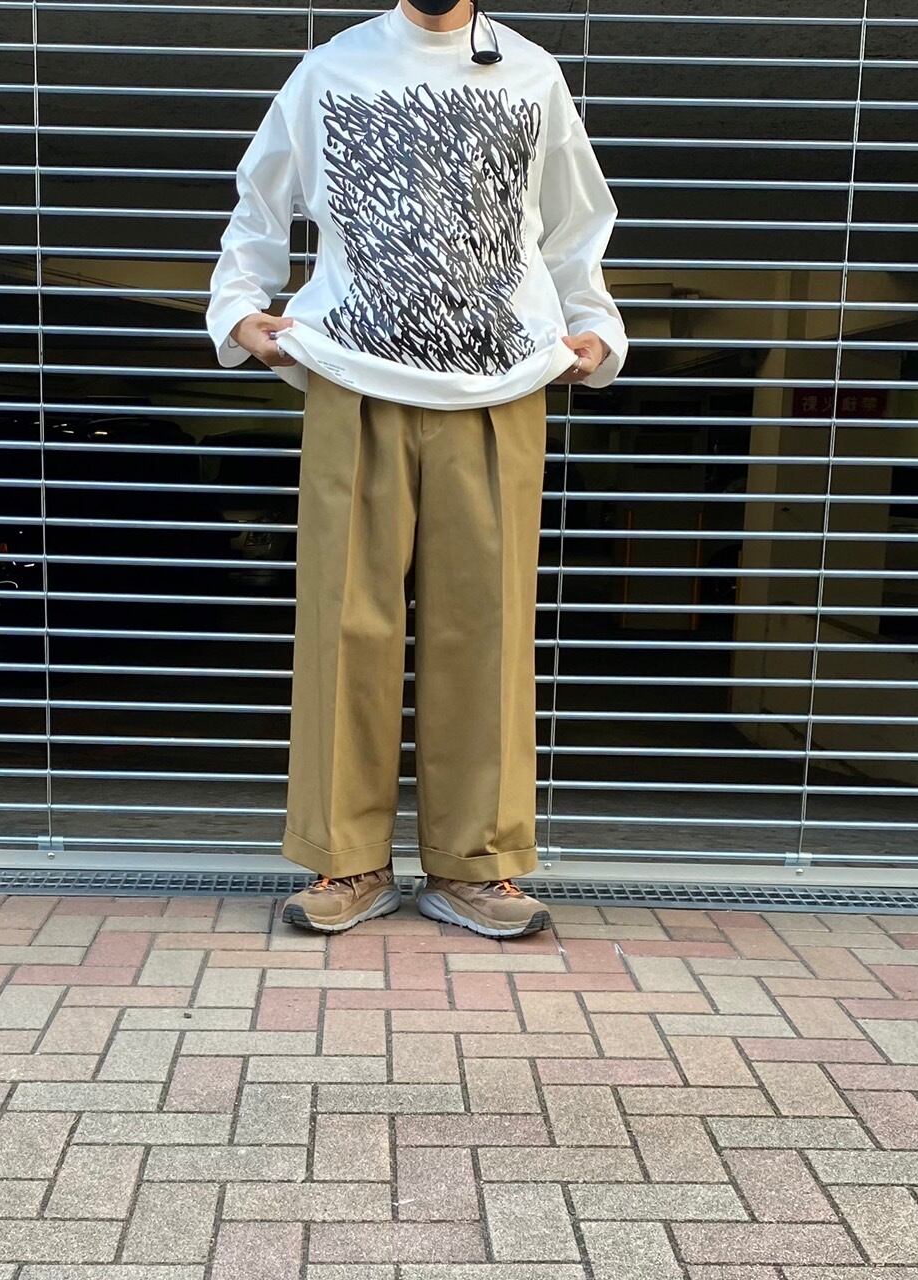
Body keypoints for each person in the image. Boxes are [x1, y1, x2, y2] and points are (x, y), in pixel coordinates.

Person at [205, 0, 628, 937]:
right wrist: (238, 309)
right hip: (351, 375)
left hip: (501, 382)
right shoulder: (332, 68)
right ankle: (346, 859)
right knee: (344, 625)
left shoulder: (531, 73)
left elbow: (575, 222)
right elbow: (259, 199)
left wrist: (595, 326)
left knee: (487, 629)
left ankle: (475, 865)